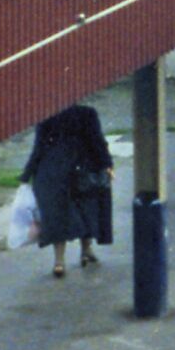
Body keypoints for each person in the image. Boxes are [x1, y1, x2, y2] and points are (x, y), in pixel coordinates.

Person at [21, 103, 114, 277]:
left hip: (54, 170)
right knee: (87, 209)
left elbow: (39, 147)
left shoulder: (47, 113)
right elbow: (97, 141)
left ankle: (59, 262)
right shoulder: (86, 113)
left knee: (59, 216)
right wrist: (107, 164)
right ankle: (86, 251)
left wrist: (27, 174)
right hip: (84, 168)